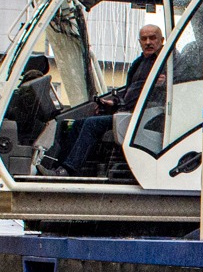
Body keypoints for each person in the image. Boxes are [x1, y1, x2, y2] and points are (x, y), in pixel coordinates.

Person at [56, 23, 164, 176]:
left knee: (91, 124)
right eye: (144, 39)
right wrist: (113, 103)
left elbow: (177, 86)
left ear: (162, 40)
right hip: (127, 112)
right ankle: (59, 168)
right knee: (78, 123)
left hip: (143, 117)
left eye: (153, 38)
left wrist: (163, 84)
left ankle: (69, 169)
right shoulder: (139, 64)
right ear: (139, 42)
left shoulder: (167, 63)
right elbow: (128, 92)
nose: (148, 42)